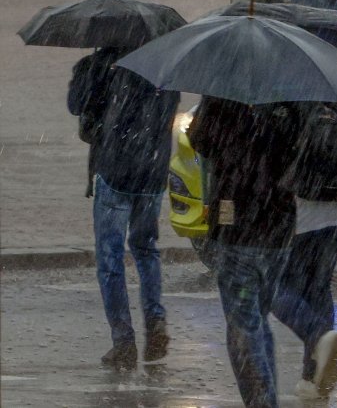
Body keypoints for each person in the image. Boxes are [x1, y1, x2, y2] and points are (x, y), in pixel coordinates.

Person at [68, 46, 180, 370]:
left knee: (110, 257)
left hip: (115, 170)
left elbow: (76, 105)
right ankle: (155, 320)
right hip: (152, 173)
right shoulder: (163, 65)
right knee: (146, 249)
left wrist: (89, 68)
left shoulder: (103, 64)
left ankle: (123, 341)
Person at [188, 97, 302, 408]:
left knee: (245, 327)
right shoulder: (293, 94)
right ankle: (266, 399)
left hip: (238, 225)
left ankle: (262, 403)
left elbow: (201, 140)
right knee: (258, 322)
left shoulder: (225, 93)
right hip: (279, 229)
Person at [272, 98, 337, 400]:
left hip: (304, 211)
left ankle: (318, 336)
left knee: (271, 287)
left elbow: (275, 157)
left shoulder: (287, 100)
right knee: (318, 288)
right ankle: (313, 377)